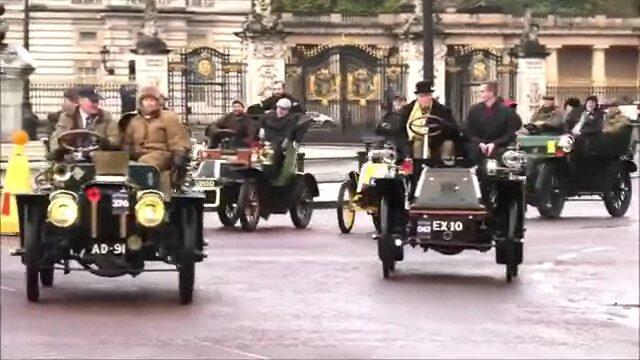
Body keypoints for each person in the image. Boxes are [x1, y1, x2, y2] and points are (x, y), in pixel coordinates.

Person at [122, 85, 191, 195]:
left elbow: (177, 140)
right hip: (139, 155)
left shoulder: (168, 118)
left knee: (145, 164)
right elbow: (127, 142)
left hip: (162, 154)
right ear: (141, 102)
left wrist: (179, 157)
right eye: (146, 100)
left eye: (152, 100)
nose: (149, 103)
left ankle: (146, 193)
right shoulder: (135, 121)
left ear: (158, 102)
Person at [398, 80, 460, 166]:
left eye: (427, 95)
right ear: (417, 96)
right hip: (412, 143)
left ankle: (445, 169)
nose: (425, 99)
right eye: (422, 96)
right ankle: (416, 169)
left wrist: (440, 125)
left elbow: (454, 129)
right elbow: (399, 129)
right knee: (417, 144)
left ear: (431, 96)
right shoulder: (407, 110)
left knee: (448, 144)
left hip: (435, 143)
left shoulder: (442, 110)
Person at [49, 86, 121, 158]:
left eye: (97, 101)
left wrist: (106, 142)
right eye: (93, 101)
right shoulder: (67, 117)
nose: (96, 105)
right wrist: (58, 151)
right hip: (72, 159)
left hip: (97, 159)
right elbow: (58, 137)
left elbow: (116, 138)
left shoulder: (105, 118)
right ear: (81, 100)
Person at [463, 81, 522, 165]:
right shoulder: (474, 110)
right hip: (478, 145)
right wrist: (480, 143)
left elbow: (511, 133)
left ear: (491, 93)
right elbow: (468, 132)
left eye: (482, 91)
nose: (479, 94)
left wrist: (494, 144)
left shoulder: (507, 110)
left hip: (500, 145)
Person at [259, 98, 300, 176]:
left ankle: (272, 174)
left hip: (278, 142)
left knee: (272, 151)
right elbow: (260, 121)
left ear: (288, 111)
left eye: (284, 109)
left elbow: (289, 132)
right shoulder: (269, 115)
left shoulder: (290, 119)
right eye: (279, 108)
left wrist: (286, 140)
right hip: (265, 140)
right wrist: (261, 129)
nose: (281, 111)